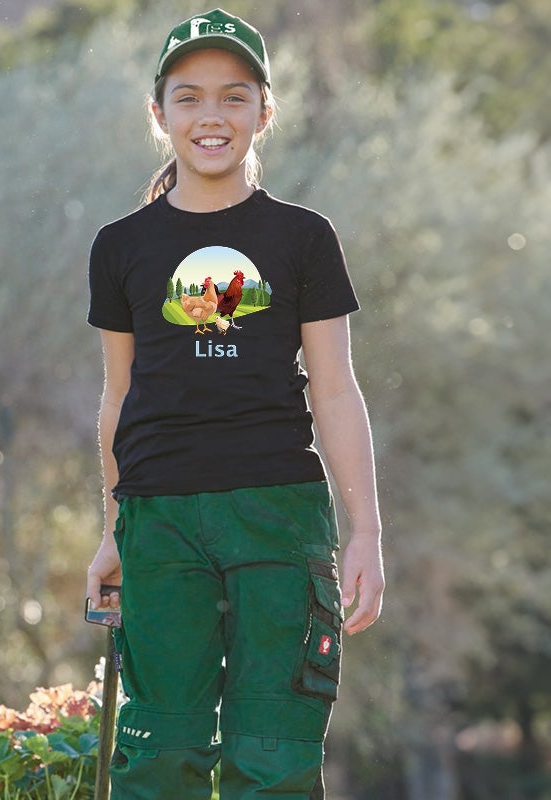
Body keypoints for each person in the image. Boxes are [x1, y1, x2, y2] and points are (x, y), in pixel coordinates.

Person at [82, 9, 385, 799]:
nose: (210, 116)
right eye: (188, 97)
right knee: (159, 756)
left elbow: (336, 389)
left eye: (233, 96)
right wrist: (113, 529)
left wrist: (366, 532)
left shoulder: (304, 237)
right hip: (160, 519)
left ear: (264, 111)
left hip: (278, 515)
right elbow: (118, 397)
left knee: (273, 756)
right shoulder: (121, 246)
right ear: (159, 114)